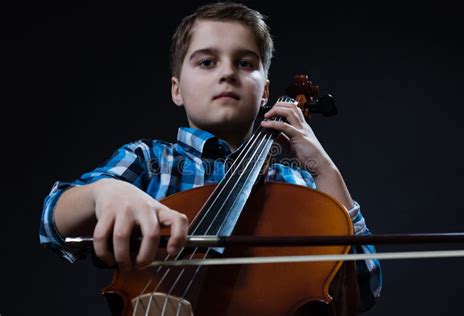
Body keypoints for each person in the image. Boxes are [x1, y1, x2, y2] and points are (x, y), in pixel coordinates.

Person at [40, 2, 381, 312]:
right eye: (207, 62)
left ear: (264, 91)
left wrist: (323, 169)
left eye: (245, 63)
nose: (227, 73)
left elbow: (361, 290)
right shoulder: (149, 160)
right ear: (177, 89)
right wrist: (105, 193)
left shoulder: (298, 184)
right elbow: (53, 223)